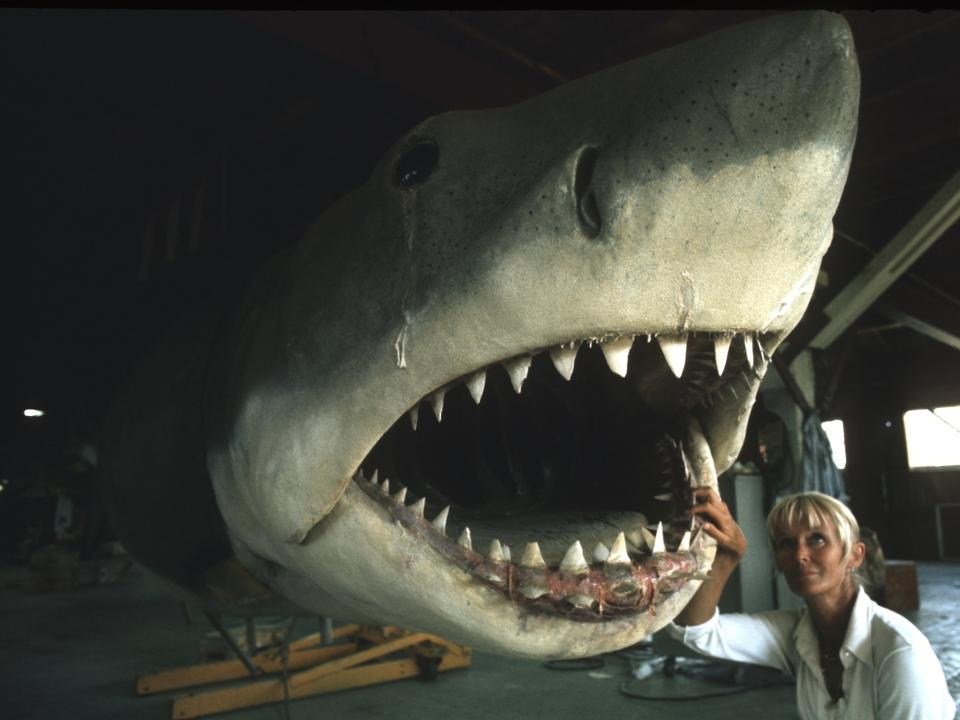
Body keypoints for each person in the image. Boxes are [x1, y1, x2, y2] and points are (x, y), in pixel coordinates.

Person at [668, 489, 955, 719]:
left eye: (817, 539)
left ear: (855, 555)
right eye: (786, 544)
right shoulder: (797, 633)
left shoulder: (900, 651)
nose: (800, 555)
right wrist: (726, 559)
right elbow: (696, 631)